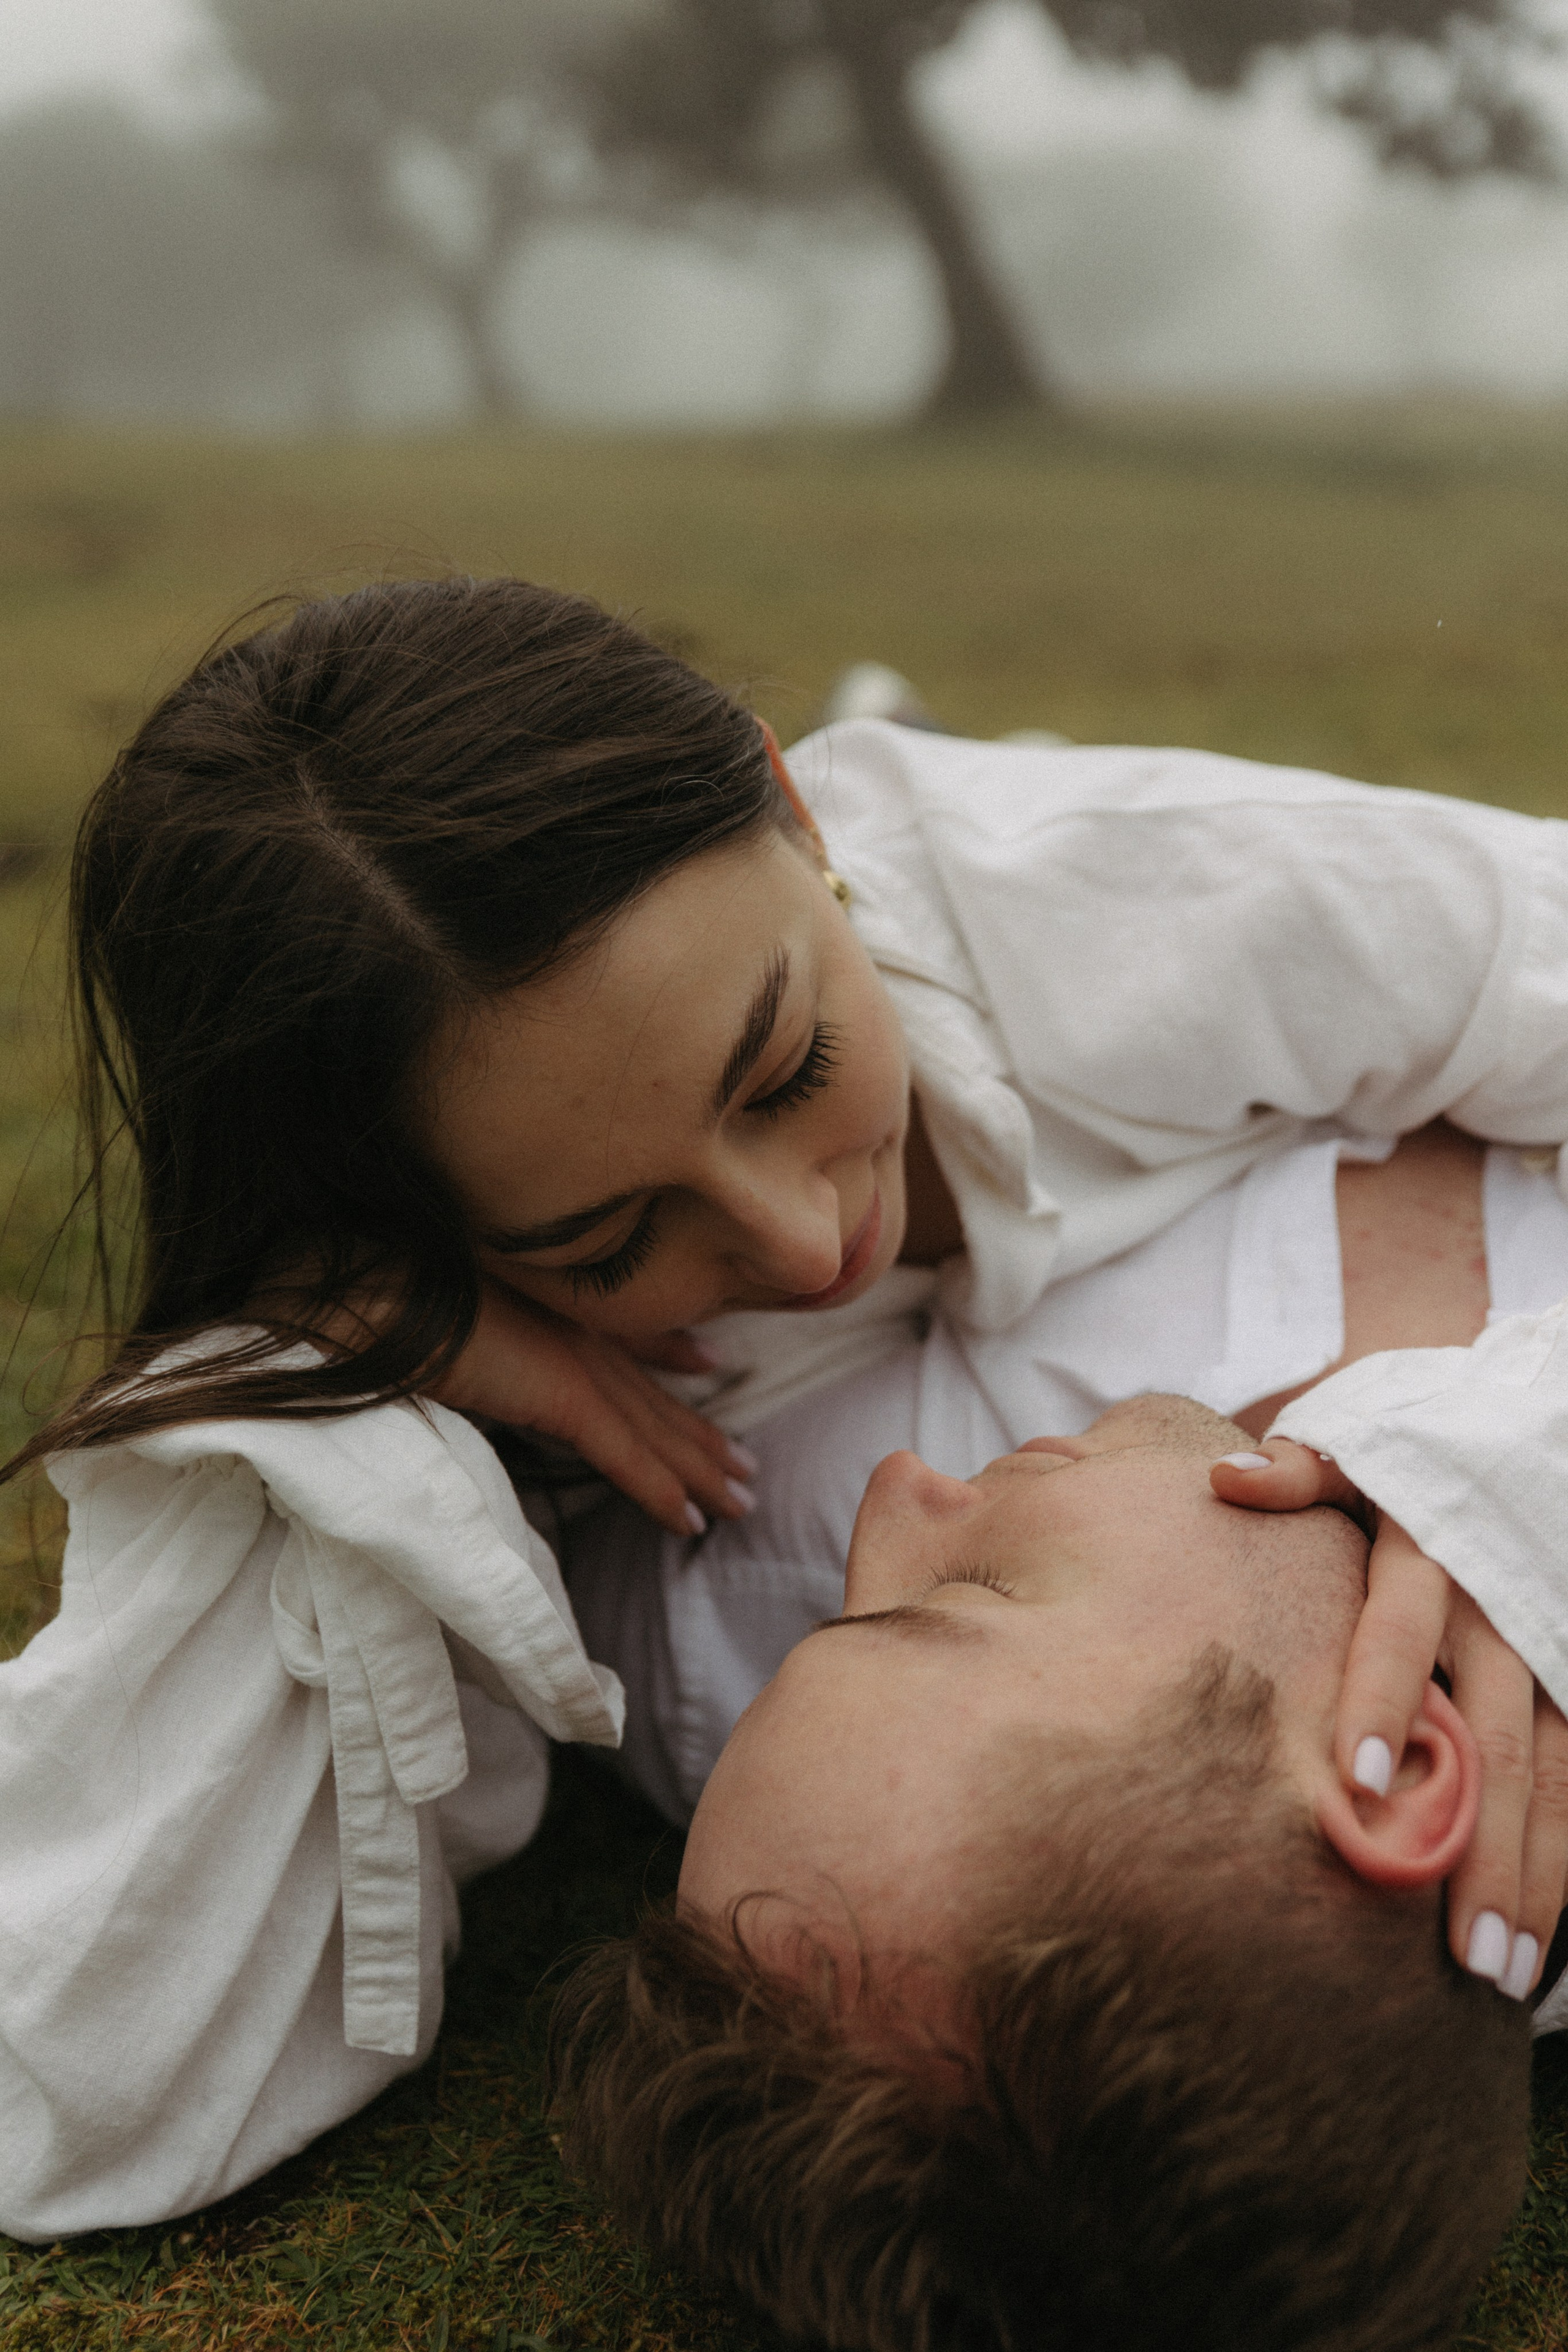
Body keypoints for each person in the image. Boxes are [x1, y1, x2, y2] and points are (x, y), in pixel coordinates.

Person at [6, 572, 1568, 2238]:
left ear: (795, 807)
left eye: (790, 1070)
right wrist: (332, 1366)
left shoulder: (1106, 899)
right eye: (606, 1238)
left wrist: (1505, 1469)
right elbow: (86, 2040)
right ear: (425, 1229)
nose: (806, 1242)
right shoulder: (709, 1574)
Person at [551, 1127, 1567, 2352]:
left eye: (827, 1626)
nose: (899, 1492)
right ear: (1394, 1762)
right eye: (961, 1600)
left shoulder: (701, 1601)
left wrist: (388, 1316)